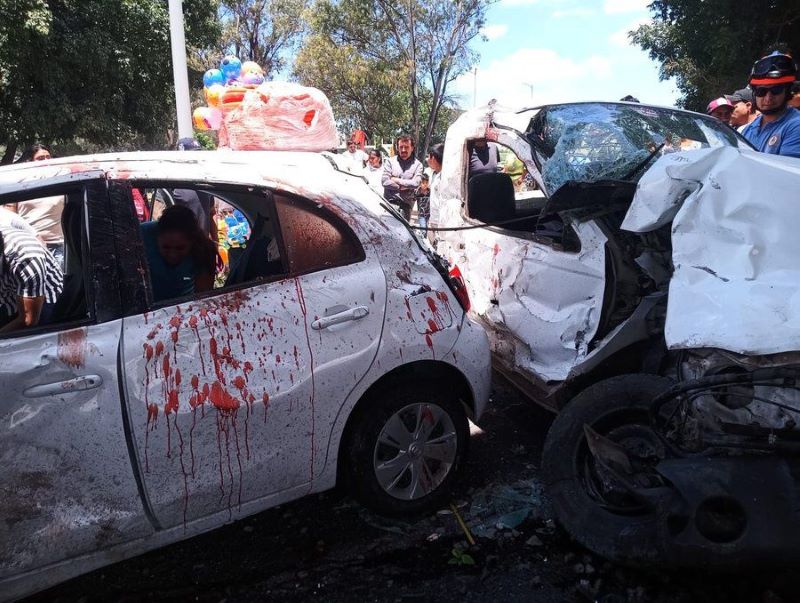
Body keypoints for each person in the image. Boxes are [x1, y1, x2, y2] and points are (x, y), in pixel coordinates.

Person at [0, 206, 63, 332]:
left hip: (42, 293)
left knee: (32, 336)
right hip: (8, 289)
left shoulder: (27, 257)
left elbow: (28, 320)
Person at [140, 205, 216, 303]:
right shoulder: (140, 236)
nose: (172, 255)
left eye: (180, 248)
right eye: (166, 247)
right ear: (156, 237)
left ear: (192, 242)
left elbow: (203, 298)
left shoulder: (204, 249)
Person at [9, 144, 65, 266]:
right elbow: (10, 217)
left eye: (48, 157)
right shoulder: (20, 185)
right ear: (30, 162)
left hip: (58, 248)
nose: (45, 161)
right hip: (29, 247)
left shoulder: (61, 182)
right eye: (40, 158)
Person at [741, 52, 800, 158]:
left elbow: (786, 167)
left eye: (776, 90)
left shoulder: (796, 125)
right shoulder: (749, 129)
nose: (768, 98)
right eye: (761, 91)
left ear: (787, 92)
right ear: (754, 94)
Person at [382, 134, 423, 221]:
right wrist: (404, 186)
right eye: (401, 147)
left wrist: (395, 179)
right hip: (389, 206)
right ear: (397, 148)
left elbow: (415, 183)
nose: (403, 150)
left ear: (412, 148)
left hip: (405, 209)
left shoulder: (418, 165)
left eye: (406, 147)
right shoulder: (390, 162)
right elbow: (385, 181)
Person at [426, 143, 444, 243]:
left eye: (428, 157)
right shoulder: (434, 174)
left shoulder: (444, 177)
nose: (427, 160)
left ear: (433, 158)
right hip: (432, 220)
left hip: (440, 223)